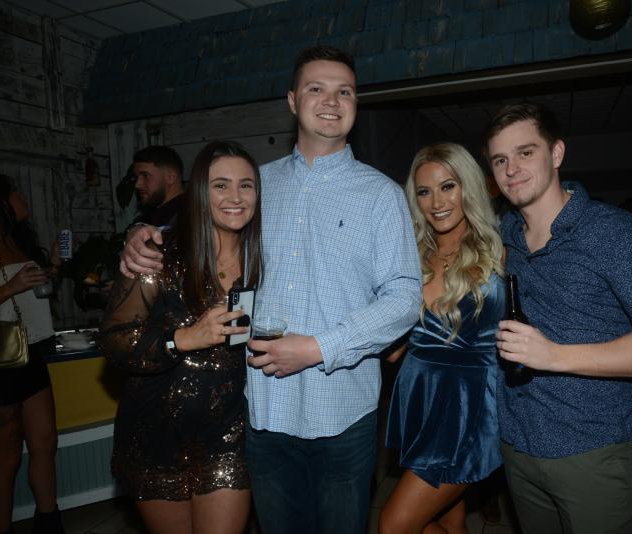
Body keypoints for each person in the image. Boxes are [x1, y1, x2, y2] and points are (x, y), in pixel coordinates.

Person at [119, 46, 421, 534]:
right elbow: (200, 228)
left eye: (344, 91)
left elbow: (405, 297)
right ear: (292, 100)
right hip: (263, 410)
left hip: (344, 411)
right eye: (316, 89)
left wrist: (319, 347)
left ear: (356, 104)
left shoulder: (382, 195)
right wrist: (142, 234)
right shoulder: (257, 186)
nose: (331, 101)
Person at [487, 103, 632, 533]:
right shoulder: (504, 237)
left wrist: (555, 356)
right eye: (499, 160)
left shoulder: (616, 234)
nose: (511, 169)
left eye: (525, 152)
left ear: (556, 153)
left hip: (594, 453)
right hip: (518, 448)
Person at [98, 141, 262, 534]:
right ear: (199, 192)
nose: (235, 197)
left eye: (246, 185)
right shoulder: (158, 254)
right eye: (220, 185)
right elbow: (115, 341)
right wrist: (183, 338)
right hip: (156, 431)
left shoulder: (264, 259)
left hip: (227, 433)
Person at [380, 143, 505, 533]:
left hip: (468, 404)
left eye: (448, 186)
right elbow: (396, 343)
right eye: (424, 191)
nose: (436, 203)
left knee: (394, 525)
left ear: (468, 186)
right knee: (448, 521)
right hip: (419, 396)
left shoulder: (501, 247)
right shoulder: (411, 254)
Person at [0, 174, 64, 534]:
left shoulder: (16, 243)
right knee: (5, 458)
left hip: (31, 352)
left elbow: (29, 296)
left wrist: (53, 266)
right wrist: (10, 286)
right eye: (16, 193)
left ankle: (49, 523)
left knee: (45, 443)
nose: (23, 197)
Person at [132, 145, 185, 228]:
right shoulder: (157, 215)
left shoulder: (187, 218)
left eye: (145, 175)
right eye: (136, 177)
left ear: (170, 177)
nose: (137, 184)